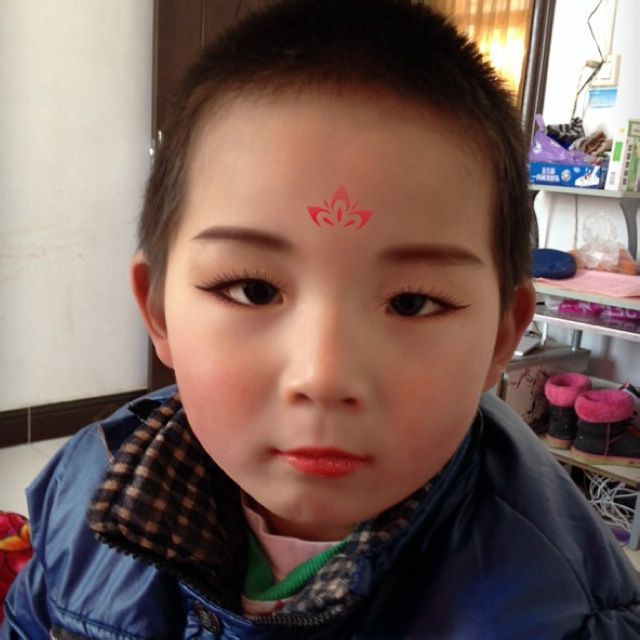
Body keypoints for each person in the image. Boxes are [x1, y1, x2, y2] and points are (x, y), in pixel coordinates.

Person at [3, 0, 640, 637]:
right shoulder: (87, 494)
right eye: (253, 290)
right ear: (159, 310)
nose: (324, 375)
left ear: (502, 335)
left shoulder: (562, 618)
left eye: (411, 303)